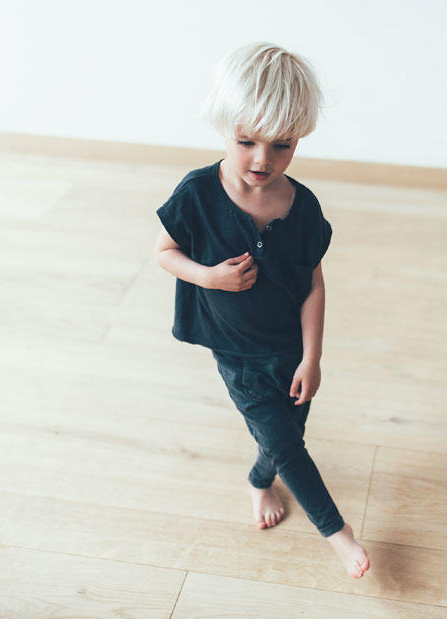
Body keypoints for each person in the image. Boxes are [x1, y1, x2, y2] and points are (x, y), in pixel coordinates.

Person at [155, 42, 370, 579]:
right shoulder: (197, 194)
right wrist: (210, 277)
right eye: (246, 141)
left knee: (285, 439)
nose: (261, 160)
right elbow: (165, 253)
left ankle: (258, 480)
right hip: (239, 358)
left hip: (290, 350)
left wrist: (312, 357)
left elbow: (313, 283)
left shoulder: (303, 207)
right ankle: (338, 534)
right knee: (288, 447)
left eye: (282, 145)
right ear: (223, 127)